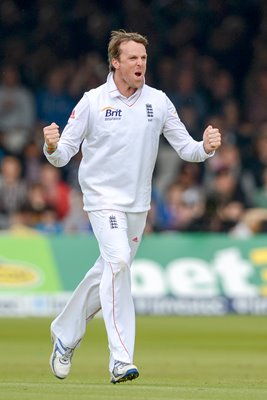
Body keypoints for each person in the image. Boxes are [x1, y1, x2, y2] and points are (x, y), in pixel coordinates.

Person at [43, 30, 221, 384]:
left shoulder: (158, 101)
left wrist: (206, 146)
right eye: (132, 58)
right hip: (101, 198)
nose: (140, 64)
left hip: (137, 205)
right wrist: (51, 145)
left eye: (143, 57)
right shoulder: (93, 101)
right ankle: (121, 360)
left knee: (109, 270)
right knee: (119, 263)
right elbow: (62, 156)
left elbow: (187, 149)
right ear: (115, 63)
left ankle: (64, 333)